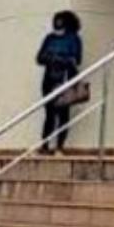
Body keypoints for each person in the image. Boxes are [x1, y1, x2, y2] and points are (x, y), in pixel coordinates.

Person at [35, 10, 83, 154]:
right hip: (49, 79)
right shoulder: (49, 38)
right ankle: (44, 146)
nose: (57, 23)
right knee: (49, 113)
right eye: (56, 20)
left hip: (65, 79)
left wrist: (57, 58)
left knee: (63, 114)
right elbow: (40, 58)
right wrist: (53, 58)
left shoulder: (74, 38)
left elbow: (76, 59)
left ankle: (59, 146)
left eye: (60, 21)